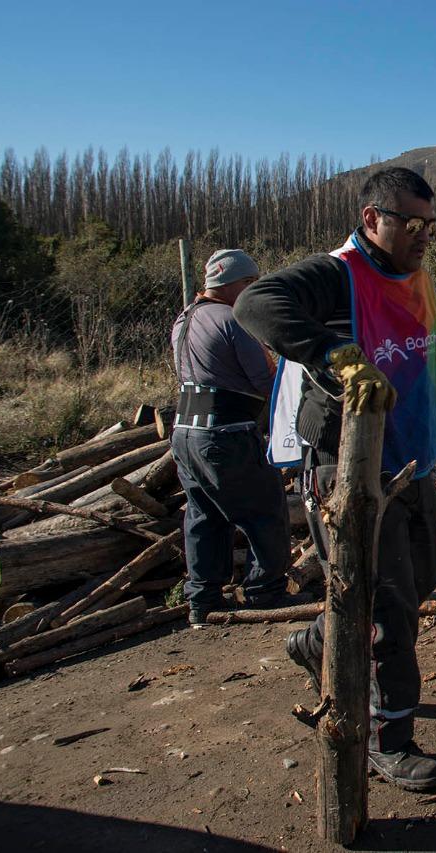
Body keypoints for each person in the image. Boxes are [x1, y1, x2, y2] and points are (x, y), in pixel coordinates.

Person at [233, 167, 436, 792]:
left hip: (409, 460)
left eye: (430, 226)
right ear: (373, 216)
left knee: (422, 579)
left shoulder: (413, 278)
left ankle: (319, 641)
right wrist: (334, 354)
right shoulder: (336, 274)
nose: (423, 236)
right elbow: (254, 304)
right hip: (349, 468)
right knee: (388, 607)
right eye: (412, 224)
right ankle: (387, 736)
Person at [170, 249, 294, 627]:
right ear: (231, 284)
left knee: (204, 515)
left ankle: (203, 599)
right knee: (266, 510)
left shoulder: (184, 319)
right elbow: (264, 380)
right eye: (248, 283)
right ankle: (264, 592)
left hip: (186, 432)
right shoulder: (234, 320)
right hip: (227, 432)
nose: (252, 290)